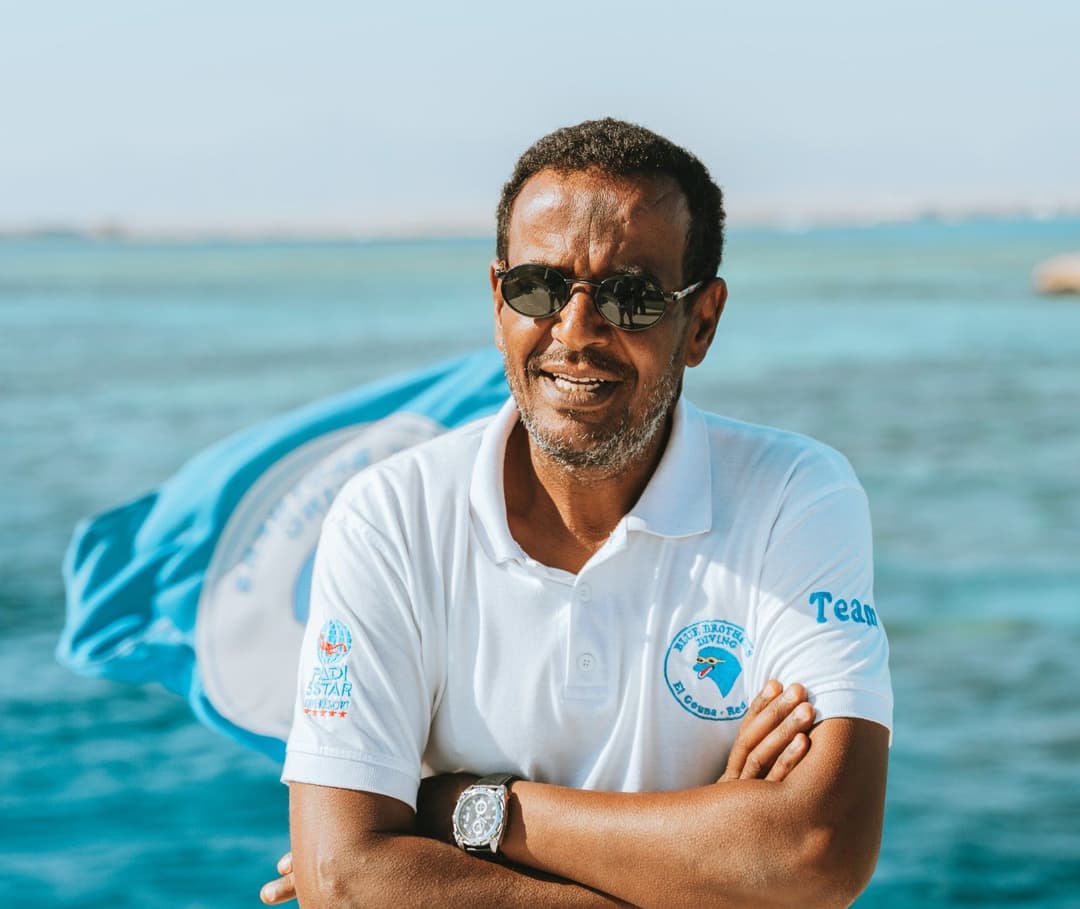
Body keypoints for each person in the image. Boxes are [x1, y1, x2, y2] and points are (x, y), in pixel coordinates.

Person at [264, 118, 892, 907]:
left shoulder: (794, 495)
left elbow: (815, 848)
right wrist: (714, 868)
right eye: (540, 287)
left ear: (701, 322)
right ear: (500, 302)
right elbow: (344, 877)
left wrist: (465, 810)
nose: (577, 330)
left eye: (631, 297)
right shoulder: (392, 516)